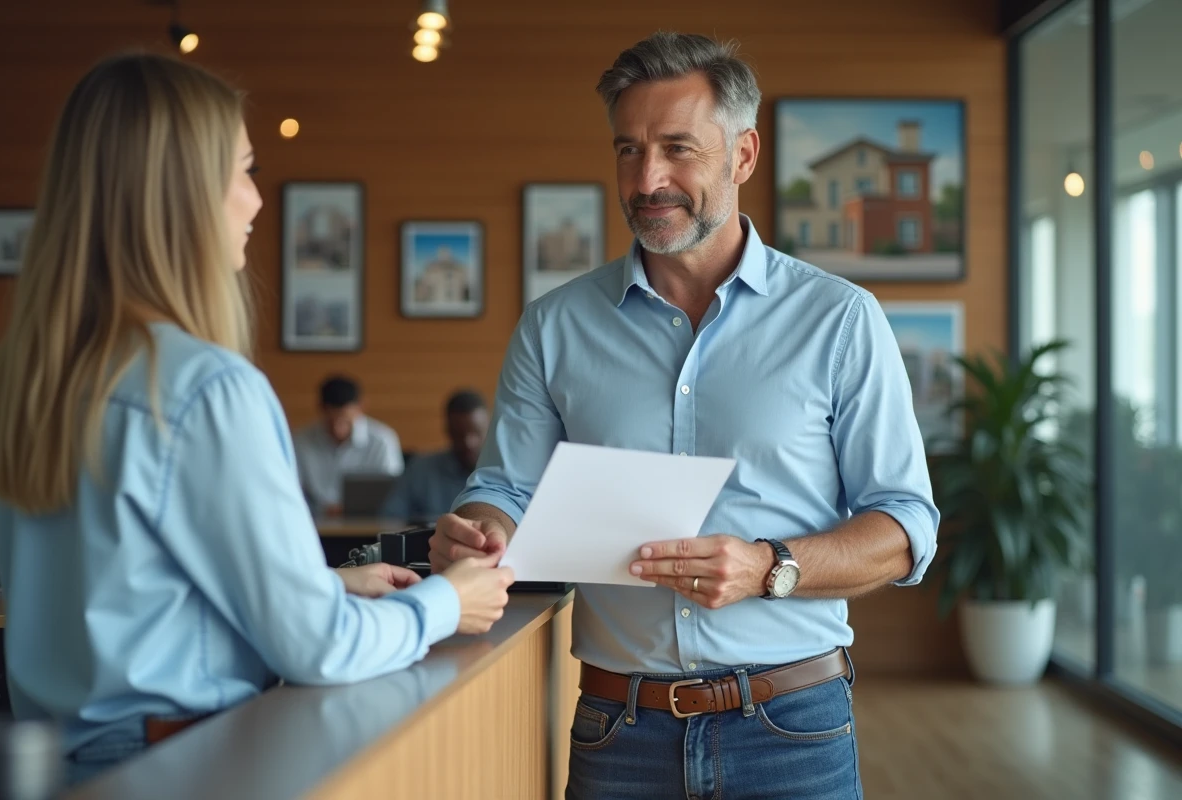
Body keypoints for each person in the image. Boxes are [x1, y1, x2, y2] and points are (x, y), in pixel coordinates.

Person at [429, 32, 939, 799]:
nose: (648, 178)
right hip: (616, 730)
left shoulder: (839, 320)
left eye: (677, 148)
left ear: (743, 154)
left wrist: (770, 567)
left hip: (791, 727)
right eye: (628, 150)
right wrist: (477, 526)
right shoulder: (554, 326)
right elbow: (505, 488)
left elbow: (905, 528)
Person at [0, 53, 513, 783]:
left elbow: (135, 598)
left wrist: (323, 587)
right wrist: (444, 603)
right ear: (179, 194)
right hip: (184, 765)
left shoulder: (22, 376)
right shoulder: (206, 390)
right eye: (245, 168)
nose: (257, 201)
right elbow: (318, 649)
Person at [292, 375, 405, 517]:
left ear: (360, 407)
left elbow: (394, 492)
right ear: (321, 409)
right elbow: (293, 487)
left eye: (345, 420)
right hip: (314, 521)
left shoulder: (382, 440)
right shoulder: (301, 440)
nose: (337, 429)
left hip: (369, 522)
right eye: (331, 421)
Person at [381, 390, 490, 522]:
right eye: (459, 434)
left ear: (488, 429)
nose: (468, 442)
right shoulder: (420, 468)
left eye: (476, 433)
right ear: (448, 430)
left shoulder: (503, 472)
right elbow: (390, 517)